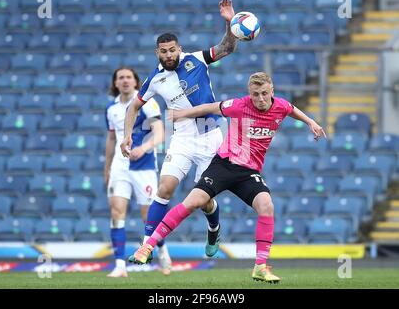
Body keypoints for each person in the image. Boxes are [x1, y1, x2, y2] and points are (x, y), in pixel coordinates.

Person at [130, 72, 327, 283]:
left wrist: (311, 122)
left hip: (249, 173)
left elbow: (292, 110)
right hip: (223, 165)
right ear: (249, 94)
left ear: (272, 92)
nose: (260, 99)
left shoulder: (281, 106)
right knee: (194, 201)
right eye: (255, 94)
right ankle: (148, 246)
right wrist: (183, 114)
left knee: (266, 206)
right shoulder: (240, 105)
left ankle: (260, 266)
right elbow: (211, 107)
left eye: (264, 94)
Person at [120, 0, 238, 261]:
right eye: (163, 51)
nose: (169, 55)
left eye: (172, 50)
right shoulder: (155, 79)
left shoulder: (197, 59)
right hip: (182, 137)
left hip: (210, 135)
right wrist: (127, 135)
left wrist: (230, 23)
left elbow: (227, 47)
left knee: (204, 200)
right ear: (157, 53)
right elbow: (133, 107)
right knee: (165, 189)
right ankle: (146, 245)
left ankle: (213, 228)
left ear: (179, 48)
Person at [104, 67, 171, 277]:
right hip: (119, 167)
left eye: (128, 77)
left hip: (144, 166)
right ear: (115, 83)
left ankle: (161, 250)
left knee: (147, 217)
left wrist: (143, 148)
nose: (124, 81)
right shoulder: (111, 109)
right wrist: (107, 168)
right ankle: (119, 266)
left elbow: (160, 133)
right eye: (120, 77)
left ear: (135, 82)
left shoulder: (147, 103)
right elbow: (112, 139)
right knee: (116, 212)